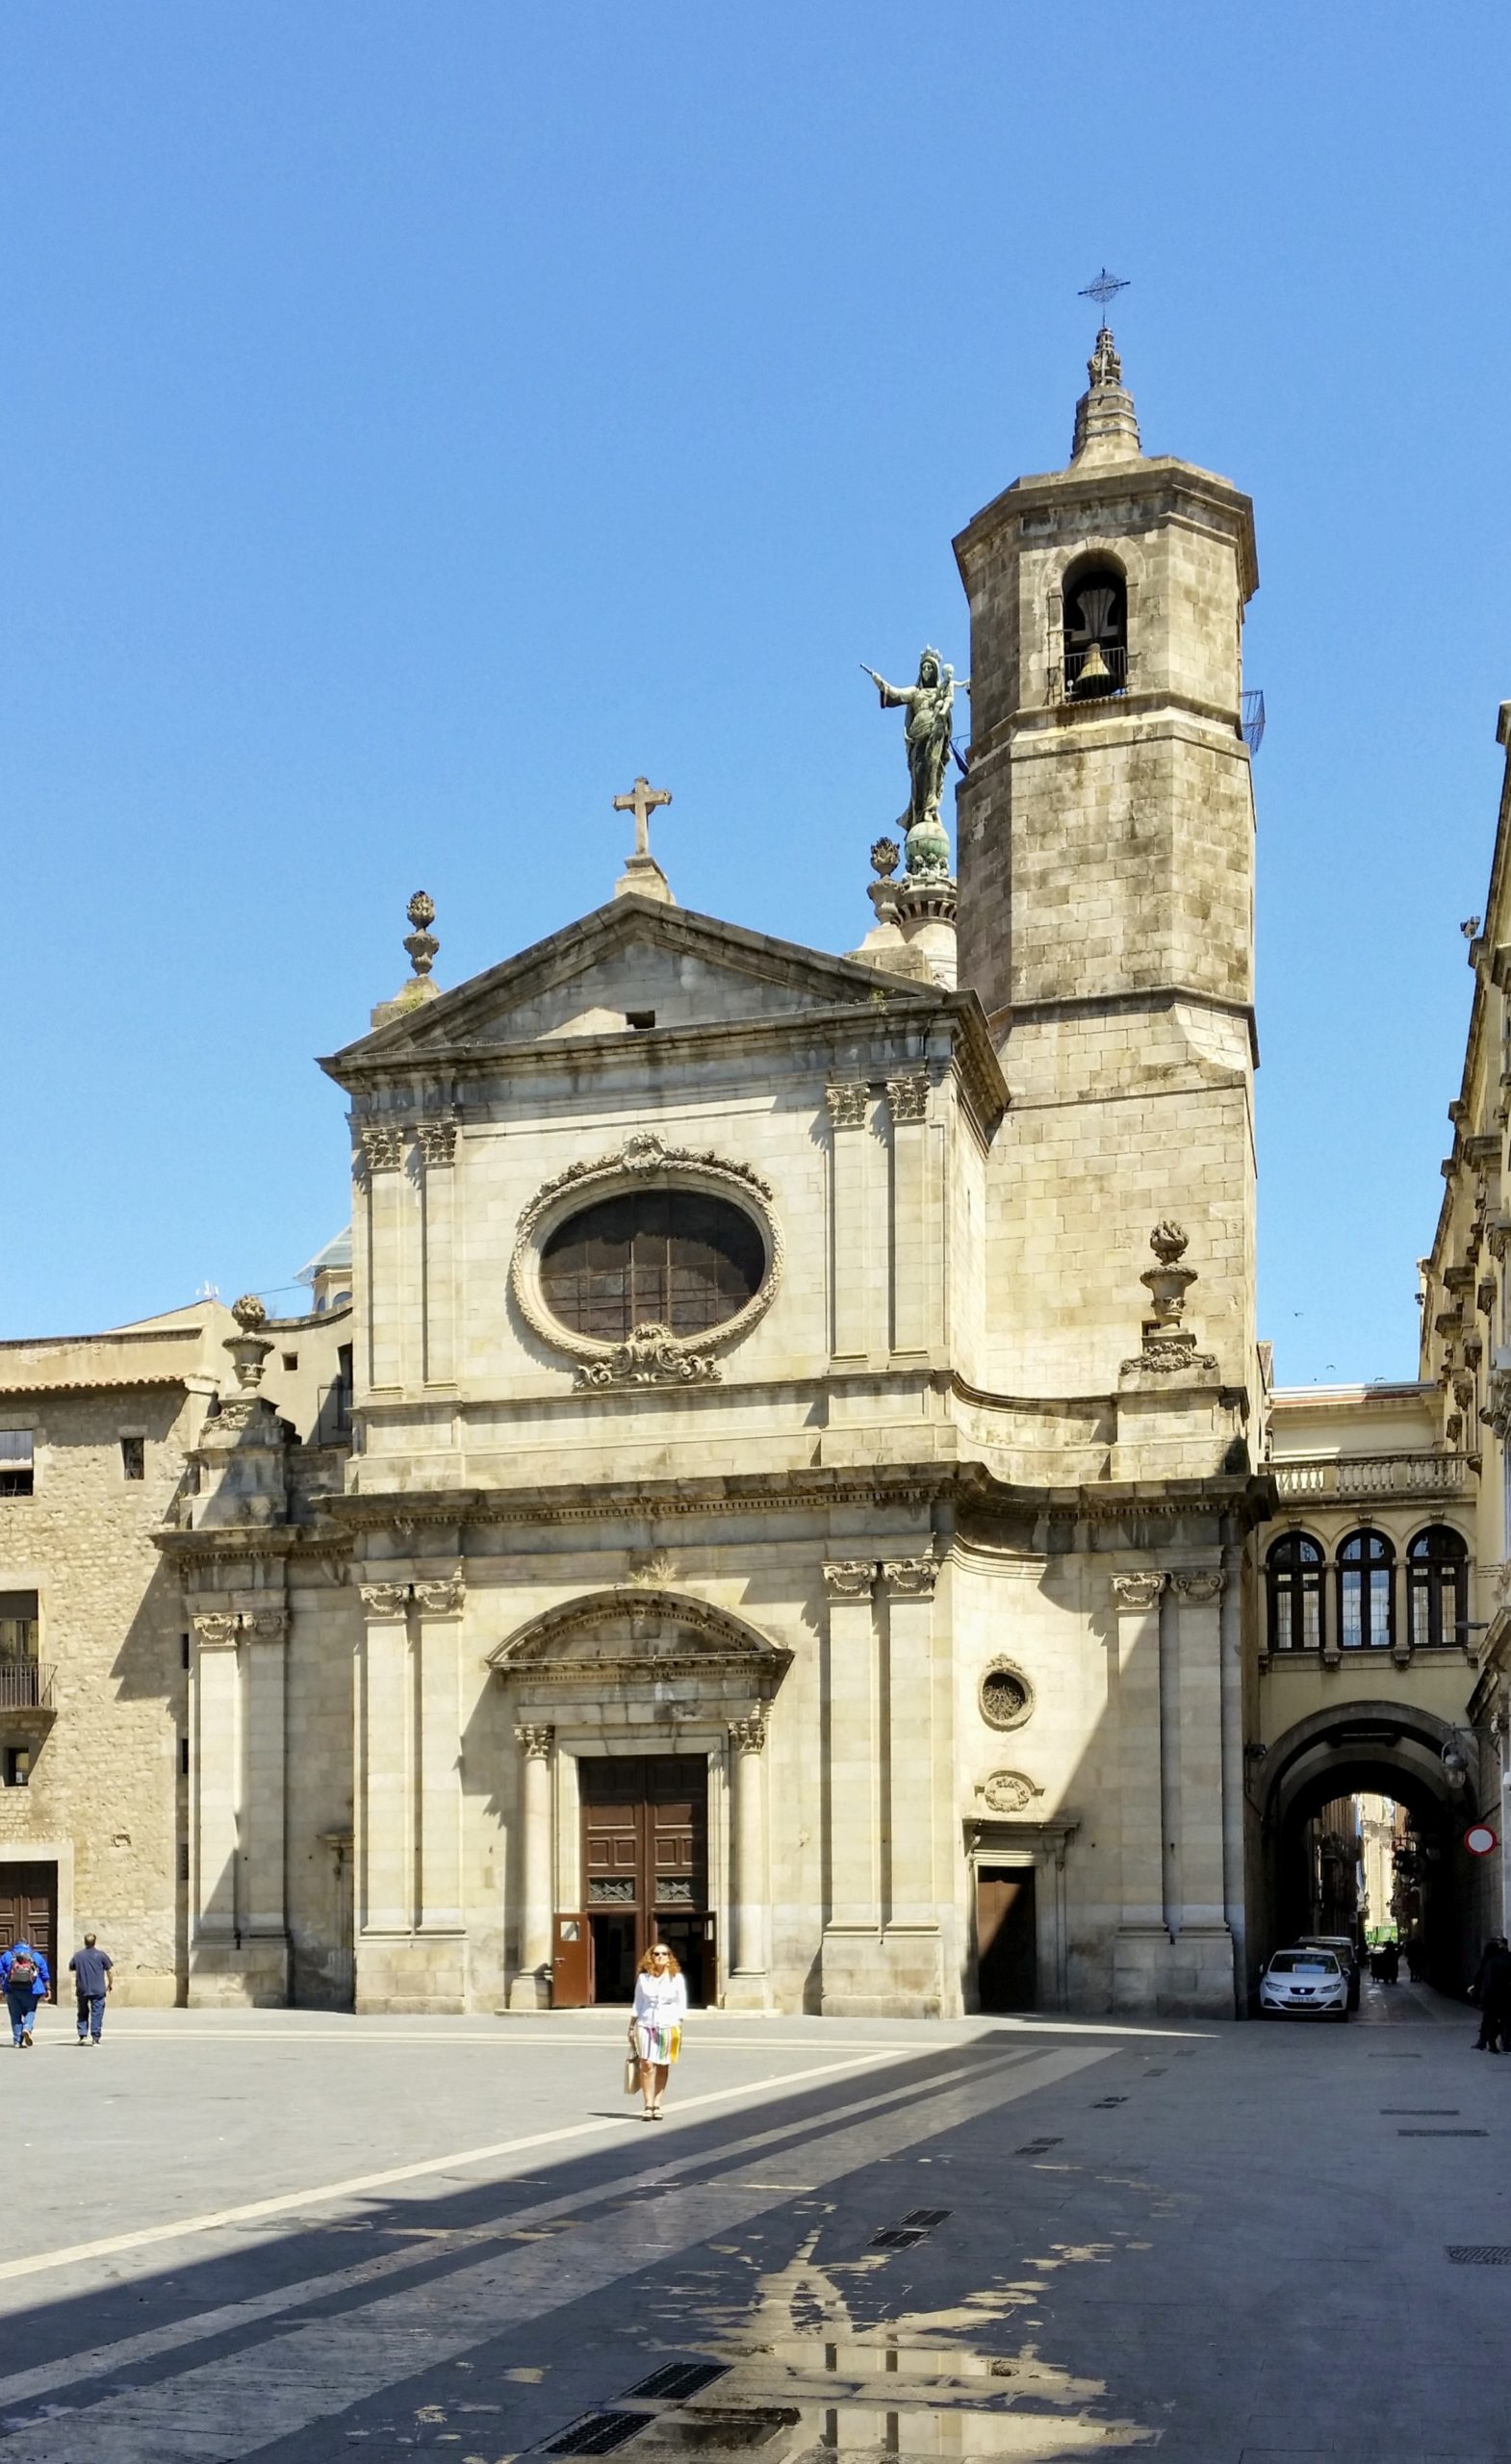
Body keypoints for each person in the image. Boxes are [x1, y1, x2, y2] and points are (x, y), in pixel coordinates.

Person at [627, 1940, 688, 2121]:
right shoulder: (644, 1978)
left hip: (668, 2024)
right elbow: (638, 2003)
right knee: (646, 2063)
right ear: (650, 1957)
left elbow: (681, 2002)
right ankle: (647, 2104)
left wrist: (677, 2021)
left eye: (664, 1954)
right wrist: (631, 2026)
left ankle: (657, 2103)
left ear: (670, 1958)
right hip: (646, 2023)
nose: (660, 1957)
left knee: (663, 2064)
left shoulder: (676, 1978)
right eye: (656, 1954)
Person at [0, 1938, 51, 2047]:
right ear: (27, 1945)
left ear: (15, 1945)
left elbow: (0, 1972)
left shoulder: (7, 1955)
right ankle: (27, 2027)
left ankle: (17, 2041)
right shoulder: (35, 1955)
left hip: (12, 1989)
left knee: (15, 2015)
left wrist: (2, 1986)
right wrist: (48, 1988)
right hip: (31, 1989)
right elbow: (44, 1972)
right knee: (30, 2011)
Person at [68, 1932, 114, 2045]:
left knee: (82, 2012)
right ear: (95, 1942)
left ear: (84, 1942)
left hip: (82, 1988)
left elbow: (71, 1967)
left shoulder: (78, 1955)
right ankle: (95, 2037)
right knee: (97, 2013)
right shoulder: (101, 1955)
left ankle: (82, 2035)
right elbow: (109, 1971)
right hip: (98, 1988)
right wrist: (110, 1983)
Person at [1472, 1936, 1511, 2051]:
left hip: (1490, 1995)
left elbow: (1482, 1978)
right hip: (1505, 1994)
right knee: (1506, 2019)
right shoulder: (1507, 1958)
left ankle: (1487, 2042)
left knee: (1489, 2019)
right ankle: (1505, 2043)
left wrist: (1477, 1994)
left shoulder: (1489, 1960)